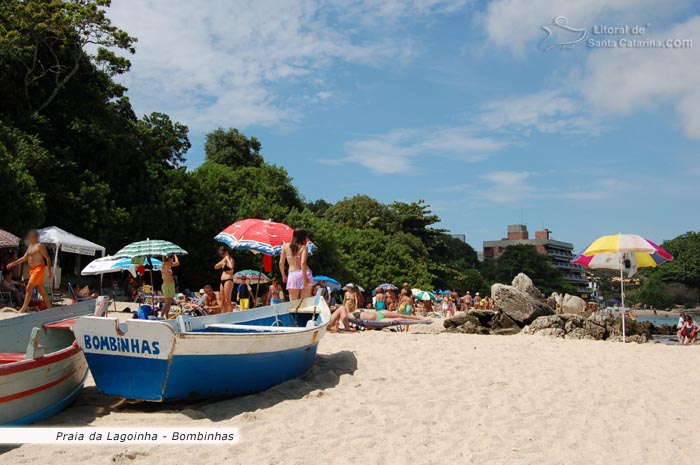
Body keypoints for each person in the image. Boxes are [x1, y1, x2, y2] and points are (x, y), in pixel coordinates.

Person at [6, 230, 53, 312]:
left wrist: (49, 271)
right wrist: (12, 264)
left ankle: (23, 309)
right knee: (41, 289)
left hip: (39, 268)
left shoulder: (40, 245)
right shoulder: (30, 247)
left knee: (29, 287)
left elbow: (47, 257)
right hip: (32, 270)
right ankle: (50, 307)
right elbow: (23, 259)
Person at [329, 305, 429, 331]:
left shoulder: (350, 313)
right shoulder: (347, 317)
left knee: (400, 315)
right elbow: (341, 314)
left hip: (379, 313)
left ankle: (420, 318)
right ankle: (423, 322)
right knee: (399, 320)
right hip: (378, 320)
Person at [279, 228, 313, 301]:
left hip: (293, 274)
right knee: (304, 302)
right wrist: (305, 279)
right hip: (305, 273)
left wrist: (283, 275)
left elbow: (281, 263)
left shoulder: (285, 246)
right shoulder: (304, 248)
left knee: (293, 303)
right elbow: (303, 263)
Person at [215, 245, 235, 313]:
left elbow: (231, 267)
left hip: (228, 280)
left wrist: (227, 259)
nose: (221, 255)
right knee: (222, 300)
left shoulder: (231, 259)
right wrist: (222, 262)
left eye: (222, 253)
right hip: (222, 281)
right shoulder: (223, 260)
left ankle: (230, 315)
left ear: (226, 252)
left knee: (227, 300)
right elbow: (216, 267)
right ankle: (223, 314)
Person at [161, 254, 179, 318]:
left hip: (170, 285)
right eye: (172, 259)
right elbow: (177, 263)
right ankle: (161, 315)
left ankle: (166, 316)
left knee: (169, 302)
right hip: (167, 285)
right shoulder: (166, 264)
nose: (172, 260)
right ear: (169, 259)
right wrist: (175, 255)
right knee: (167, 302)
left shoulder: (168, 265)